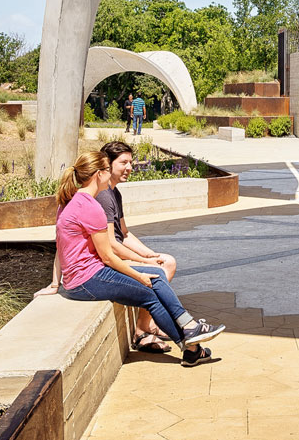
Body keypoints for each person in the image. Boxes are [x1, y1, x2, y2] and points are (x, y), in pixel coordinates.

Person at [43, 151, 223, 366]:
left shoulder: (68, 201)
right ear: (99, 174)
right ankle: (190, 335)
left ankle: (191, 342)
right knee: (151, 287)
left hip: (78, 279)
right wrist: (139, 274)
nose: (111, 175)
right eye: (108, 170)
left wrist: (56, 284)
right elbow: (108, 257)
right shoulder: (92, 208)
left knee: (155, 277)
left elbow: (60, 247)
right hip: (87, 281)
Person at [97, 139, 179, 352]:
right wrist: (145, 261)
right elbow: (112, 244)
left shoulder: (115, 192)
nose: (129, 168)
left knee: (166, 261)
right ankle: (142, 331)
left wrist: (151, 253)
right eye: (123, 162)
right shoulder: (104, 195)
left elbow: (124, 233)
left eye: (131, 162)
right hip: (107, 261)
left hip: (117, 251)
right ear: (108, 164)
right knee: (159, 269)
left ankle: (149, 324)